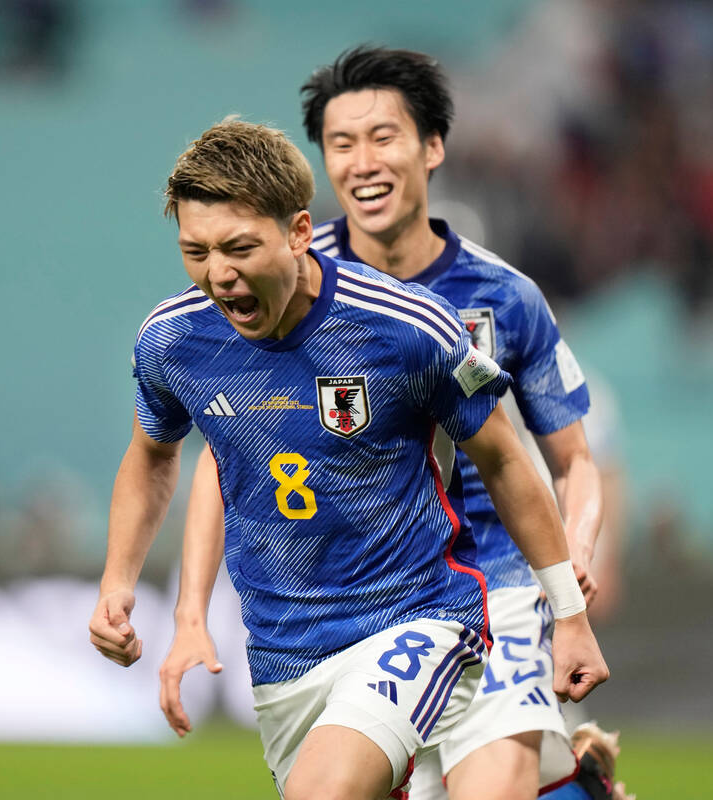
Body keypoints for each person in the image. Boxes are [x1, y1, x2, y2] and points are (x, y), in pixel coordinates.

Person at [89, 117, 608, 800]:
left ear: (300, 232)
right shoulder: (173, 342)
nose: (218, 274)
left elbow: (508, 461)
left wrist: (567, 615)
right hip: (286, 652)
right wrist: (118, 583)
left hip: (417, 616)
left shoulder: (407, 327)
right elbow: (153, 456)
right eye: (196, 251)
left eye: (240, 247)